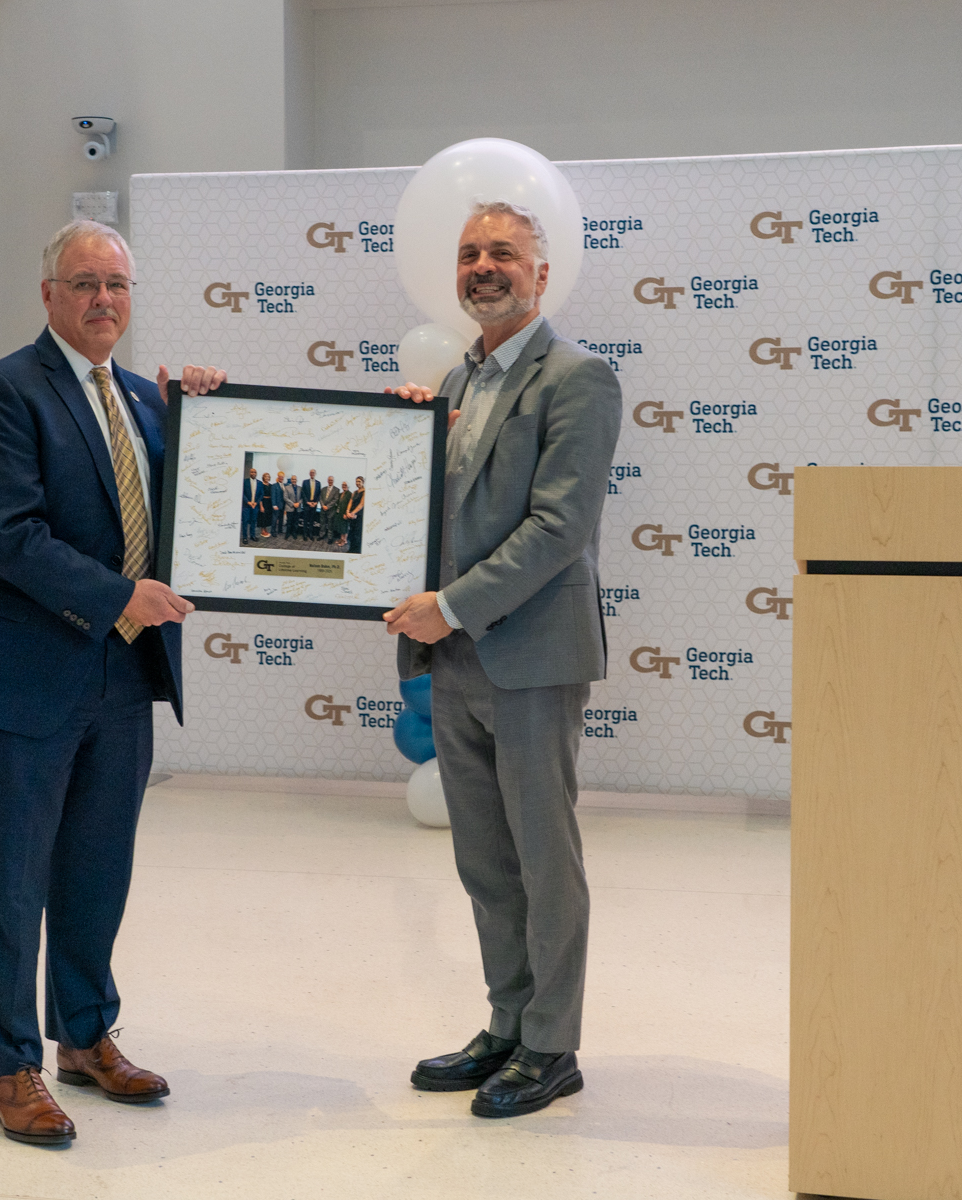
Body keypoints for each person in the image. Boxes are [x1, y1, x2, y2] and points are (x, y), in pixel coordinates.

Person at [0, 218, 227, 1146]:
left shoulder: (143, 399)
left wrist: (206, 418)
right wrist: (119, 595)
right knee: (13, 884)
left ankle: (86, 1037)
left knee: (98, 871)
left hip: (124, 671)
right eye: (86, 282)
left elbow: (198, 508)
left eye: (118, 285)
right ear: (50, 294)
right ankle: (10, 1068)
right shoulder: (5, 391)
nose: (105, 299)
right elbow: (7, 535)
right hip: (23, 677)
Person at [384, 200, 621, 1118]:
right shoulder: (456, 381)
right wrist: (403, 444)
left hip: (529, 656)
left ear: (541, 273)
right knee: (485, 859)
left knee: (543, 858)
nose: (484, 267)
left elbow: (560, 527)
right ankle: (508, 1024)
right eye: (469, 253)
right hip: (452, 661)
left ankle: (552, 1046)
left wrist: (448, 607)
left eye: (504, 253)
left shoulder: (579, 378)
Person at [319, 474, 343, 544]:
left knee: (330, 525)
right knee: (322, 523)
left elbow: (335, 499)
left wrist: (328, 506)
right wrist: (323, 505)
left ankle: (330, 538)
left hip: (331, 510)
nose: (330, 481)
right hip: (323, 509)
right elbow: (320, 498)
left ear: (333, 481)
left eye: (331, 480)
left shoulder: (337, 490)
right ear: (327, 480)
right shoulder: (323, 489)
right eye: (329, 480)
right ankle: (321, 535)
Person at [346, 477, 366, 553]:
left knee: (357, 534)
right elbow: (350, 502)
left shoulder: (365, 492)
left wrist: (353, 513)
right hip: (352, 516)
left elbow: (361, 504)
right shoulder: (354, 492)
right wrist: (347, 511)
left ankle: (356, 552)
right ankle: (351, 549)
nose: (357, 483)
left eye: (359, 481)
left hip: (359, 516)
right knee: (352, 533)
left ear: (363, 482)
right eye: (356, 481)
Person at [241, 466, 259, 542]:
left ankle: (252, 535)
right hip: (246, 506)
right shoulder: (245, 481)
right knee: (245, 521)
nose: (253, 473)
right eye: (252, 472)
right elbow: (242, 493)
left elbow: (261, 494)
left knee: (253, 521)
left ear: (256, 473)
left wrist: (256, 502)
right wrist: (248, 502)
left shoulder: (259, 483)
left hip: (255, 506)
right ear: (249, 473)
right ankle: (245, 537)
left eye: (255, 472)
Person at [269, 471, 286, 538]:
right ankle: (273, 531)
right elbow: (273, 496)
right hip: (276, 505)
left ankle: (280, 530)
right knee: (274, 519)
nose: (281, 478)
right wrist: (274, 505)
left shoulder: (285, 485)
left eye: (282, 477)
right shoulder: (274, 485)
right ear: (278, 477)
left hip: (283, 505)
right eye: (280, 476)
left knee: (281, 518)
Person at [257, 471, 275, 538]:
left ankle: (266, 529)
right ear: (263, 478)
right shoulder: (261, 485)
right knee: (263, 516)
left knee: (267, 516)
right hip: (263, 501)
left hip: (269, 502)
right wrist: (261, 506)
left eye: (268, 477)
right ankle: (262, 531)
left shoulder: (271, 485)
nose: (267, 478)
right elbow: (259, 496)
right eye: (265, 477)